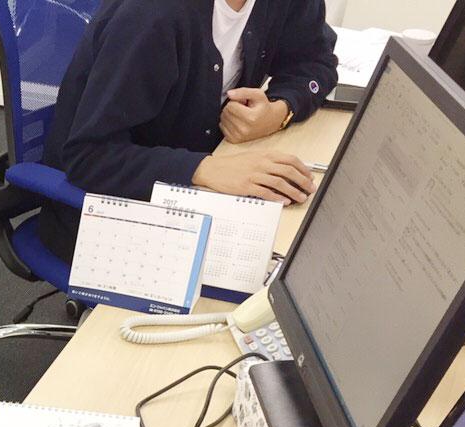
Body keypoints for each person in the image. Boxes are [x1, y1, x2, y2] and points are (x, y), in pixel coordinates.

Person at [37, 0, 339, 261]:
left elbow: (316, 62)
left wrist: (279, 111)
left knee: (306, 246)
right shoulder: (152, 14)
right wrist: (204, 169)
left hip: (195, 185)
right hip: (106, 213)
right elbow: (89, 157)